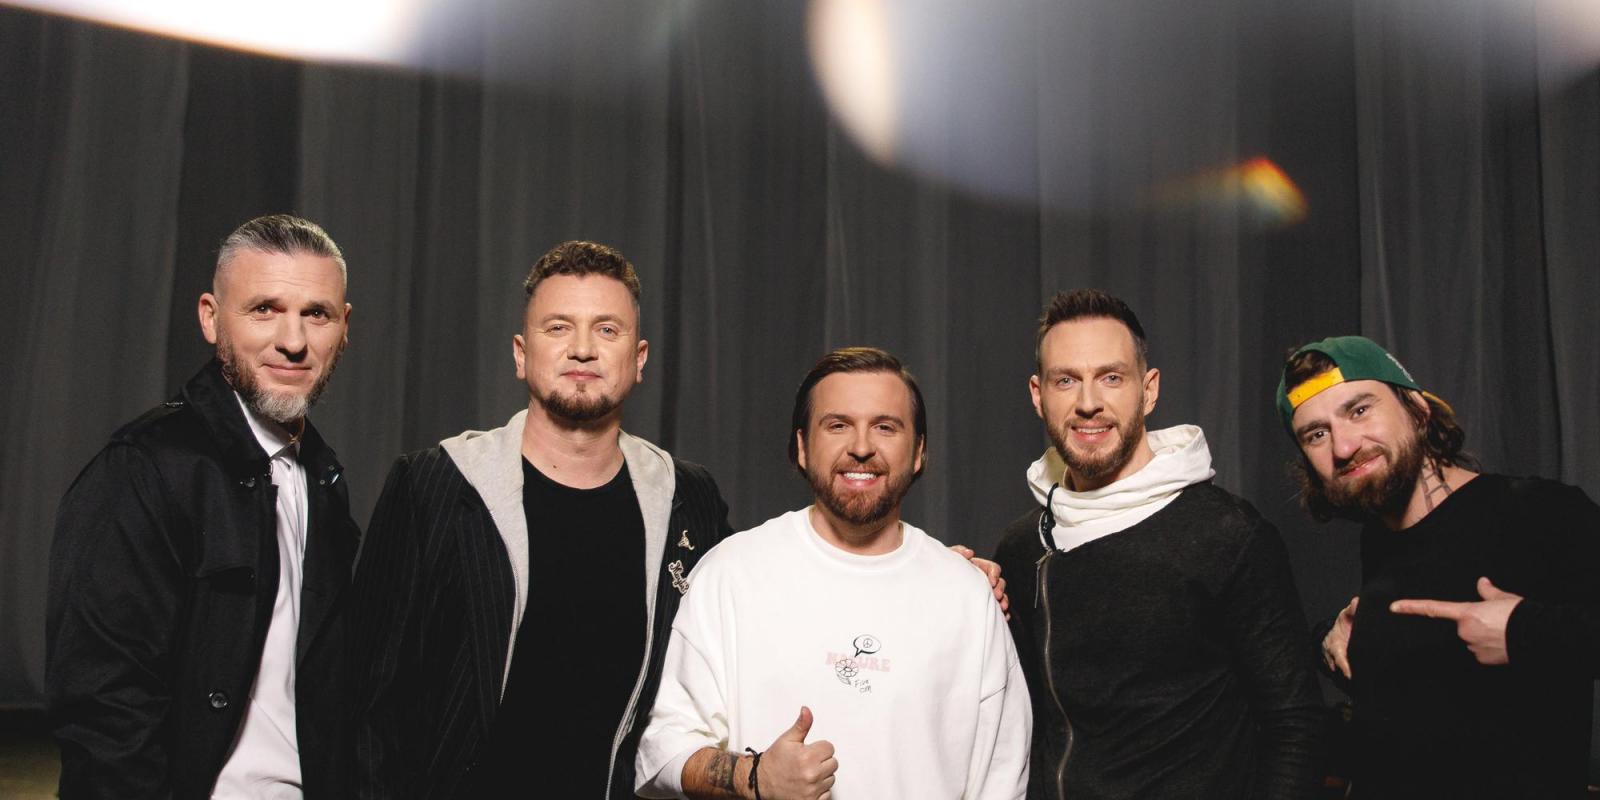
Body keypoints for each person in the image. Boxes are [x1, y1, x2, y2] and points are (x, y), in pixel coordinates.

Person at [346, 241, 733, 798]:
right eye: (558, 328)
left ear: (639, 359)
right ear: (521, 354)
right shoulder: (432, 485)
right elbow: (367, 703)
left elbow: (718, 675)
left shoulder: (689, 498)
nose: (582, 349)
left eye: (607, 330)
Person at [46, 214, 359, 798]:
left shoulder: (322, 478)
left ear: (344, 328)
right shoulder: (144, 469)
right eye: (264, 309)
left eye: (316, 314)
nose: (293, 341)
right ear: (211, 319)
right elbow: (103, 710)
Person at [635, 347, 1031, 799]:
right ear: (803, 447)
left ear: (919, 451)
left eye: (885, 427)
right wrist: (754, 777)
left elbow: (1003, 781)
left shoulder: (967, 596)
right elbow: (661, 752)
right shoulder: (731, 574)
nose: (861, 447)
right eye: (838, 425)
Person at [994, 289, 1322, 799]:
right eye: (1066, 380)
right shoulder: (1022, 549)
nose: (1088, 403)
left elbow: (1296, 725)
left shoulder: (1228, 534)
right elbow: (1013, 722)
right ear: (1038, 396)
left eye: (1111, 377)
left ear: (1148, 391)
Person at [1277, 334, 1600, 798]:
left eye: (1359, 410)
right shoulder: (1381, 539)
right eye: (1317, 434)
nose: (1344, 446)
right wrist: (1328, 640)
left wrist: (1523, 631)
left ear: (1416, 408)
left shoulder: (1539, 511)